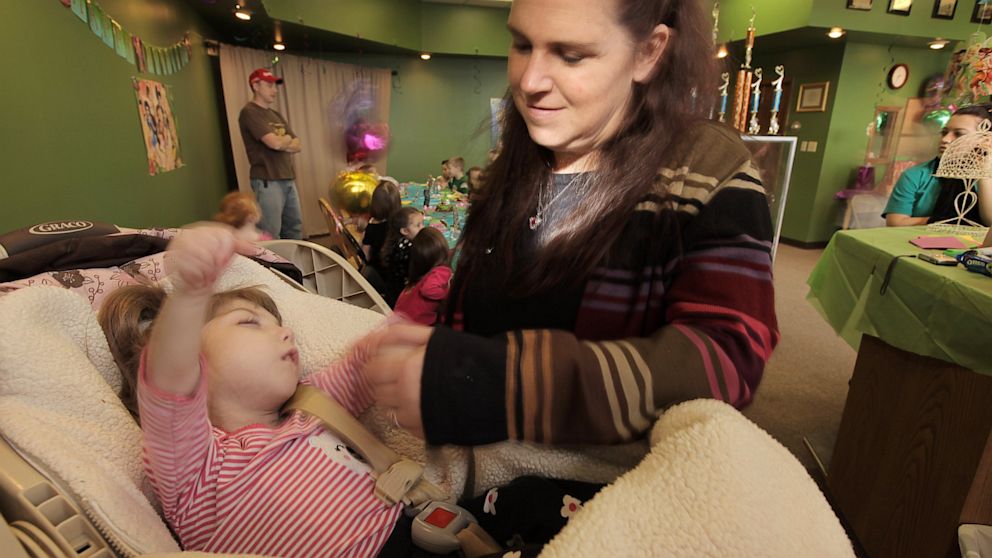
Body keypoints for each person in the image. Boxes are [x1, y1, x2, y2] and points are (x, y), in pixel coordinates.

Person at [364, 0, 779, 455]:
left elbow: (729, 357)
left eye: (571, 54)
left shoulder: (707, 168)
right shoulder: (516, 160)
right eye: (521, 44)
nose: (529, 82)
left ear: (649, 52)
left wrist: (506, 387)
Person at [98, 224, 601, 557]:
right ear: (196, 363)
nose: (286, 333)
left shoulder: (311, 406)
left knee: (539, 496)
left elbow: (367, 361)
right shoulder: (195, 469)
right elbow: (168, 386)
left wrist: (413, 331)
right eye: (251, 323)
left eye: (280, 324)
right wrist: (188, 295)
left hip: (426, 532)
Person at [884, 104, 992, 227]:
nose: (945, 139)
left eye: (959, 134)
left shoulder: (987, 178)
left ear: (985, 140)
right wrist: (945, 221)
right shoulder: (915, 175)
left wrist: (984, 172)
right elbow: (895, 222)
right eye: (944, 132)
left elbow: (990, 223)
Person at [238, 68, 304, 240]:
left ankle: (291, 266)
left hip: (287, 178)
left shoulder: (275, 115)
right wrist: (285, 140)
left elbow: (298, 145)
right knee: (269, 234)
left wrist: (283, 141)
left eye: (275, 86)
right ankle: (270, 268)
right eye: (269, 85)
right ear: (256, 86)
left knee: (294, 229)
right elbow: (274, 143)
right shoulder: (250, 112)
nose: (274, 90)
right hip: (268, 181)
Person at [393, 227, 453, 325]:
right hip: (415, 325)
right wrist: (447, 293)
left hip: (400, 318)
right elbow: (427, 289)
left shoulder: (420, 271)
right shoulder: (441, 270)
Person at [380, 207, 424, 306]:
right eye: (418, 225)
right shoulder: (407, 249)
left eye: (422, 223)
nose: (423, 228)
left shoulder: (396, 242)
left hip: (393, 290)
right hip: (402, 296)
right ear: (404, 231)